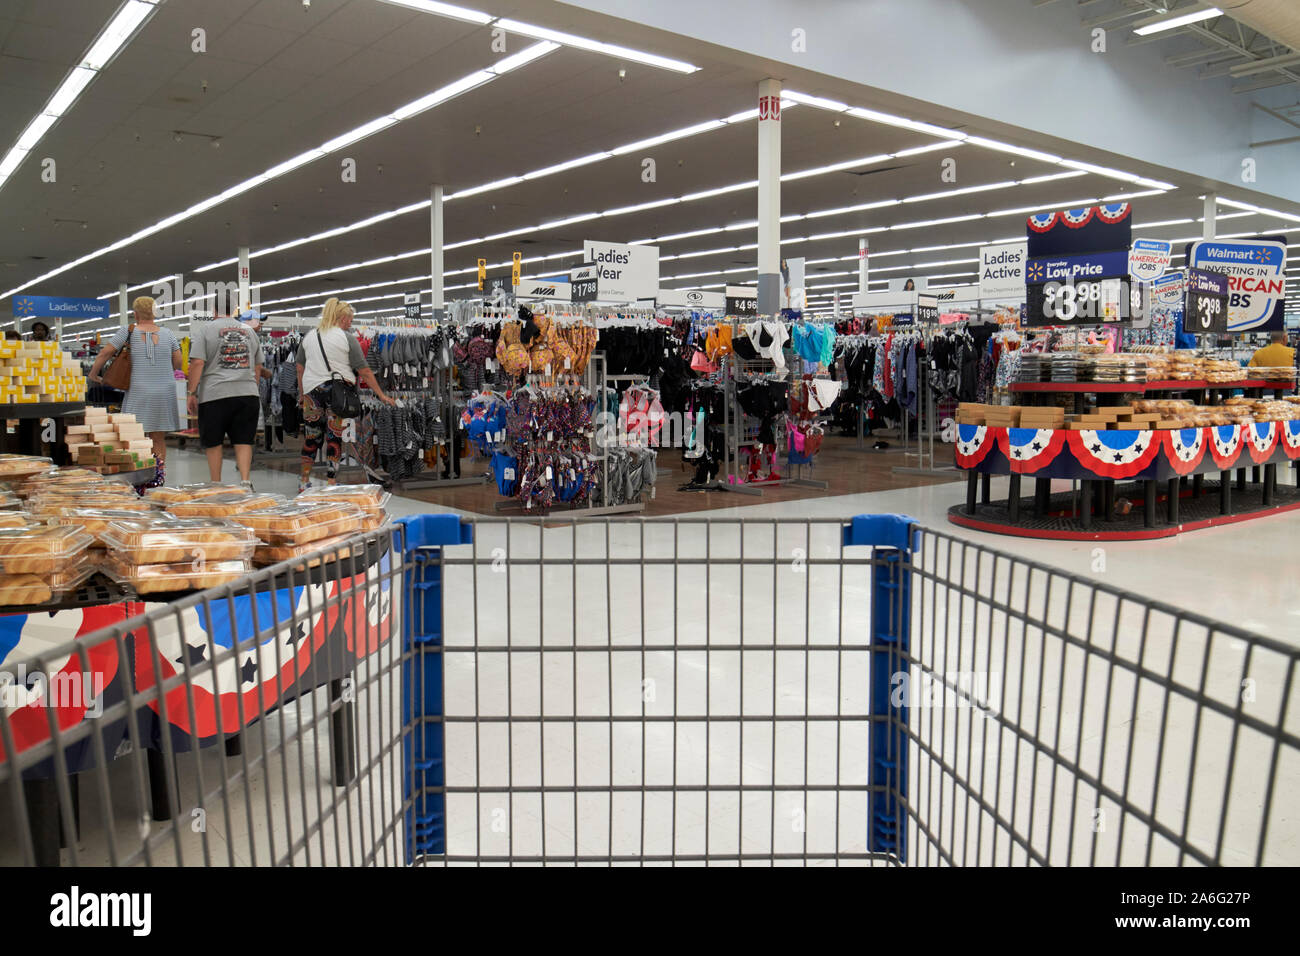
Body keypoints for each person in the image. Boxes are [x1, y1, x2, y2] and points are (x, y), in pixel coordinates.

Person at [296, 297, 394, 492]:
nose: (351, 323)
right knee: (334, 437)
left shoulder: (309, 337)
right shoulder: (347, 338)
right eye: (350, 319)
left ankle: (304, 481)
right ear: (341, 318)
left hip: (311, 393)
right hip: (337, 393)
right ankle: (331, 482)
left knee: (311, 436)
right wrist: (381, 395)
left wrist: (301, 393)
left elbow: (299, 368)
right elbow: (364, 370)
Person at [88, 296, 182, 489]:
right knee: (158, 437)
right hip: (164, 389)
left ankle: (138, 477)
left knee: (134, 434)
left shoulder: (128, 331)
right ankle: (158, 477)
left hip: (139, 388)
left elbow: (105, 353)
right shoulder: (168, 334)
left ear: (135, 314)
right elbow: (178, 361)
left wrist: (93, 374)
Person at [187, 310, 263, 486]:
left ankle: (216, 483)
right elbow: (258, 365)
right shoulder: (249, 331)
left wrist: (192, 392)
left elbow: (197, 363)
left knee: (214, 441)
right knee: (244, 439)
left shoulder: (205, 330)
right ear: (235, 310)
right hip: (247, 393)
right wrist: (253, 387)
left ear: (214, 311)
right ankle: (245, 481)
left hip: (214, 395)